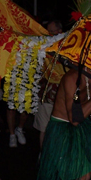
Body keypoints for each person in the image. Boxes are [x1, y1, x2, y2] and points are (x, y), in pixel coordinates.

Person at [33, 20, 63, 149]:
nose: (49, 34)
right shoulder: (42, 44)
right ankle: (43, 155)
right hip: (46, 90)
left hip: (63, 91)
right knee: (44, 127)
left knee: (61, 126)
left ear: (59, 32)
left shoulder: (68, 46)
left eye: (52, 32)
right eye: (47, 32)